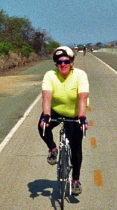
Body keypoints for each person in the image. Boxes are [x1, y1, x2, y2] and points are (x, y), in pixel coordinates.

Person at [38, 46, 90, 196]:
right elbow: (46, 97)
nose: (63, 64)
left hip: (74, 114)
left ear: (72, 62)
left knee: (76, 148)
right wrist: (46, 115)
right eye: (59, 62)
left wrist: (81, 117)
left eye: (66, 61)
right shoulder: (50, 75)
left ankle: (75, 181)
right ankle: (53, 150)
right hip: (56, 110)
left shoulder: (80, 75)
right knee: (42, 126)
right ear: (56, 64)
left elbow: (82, 98)